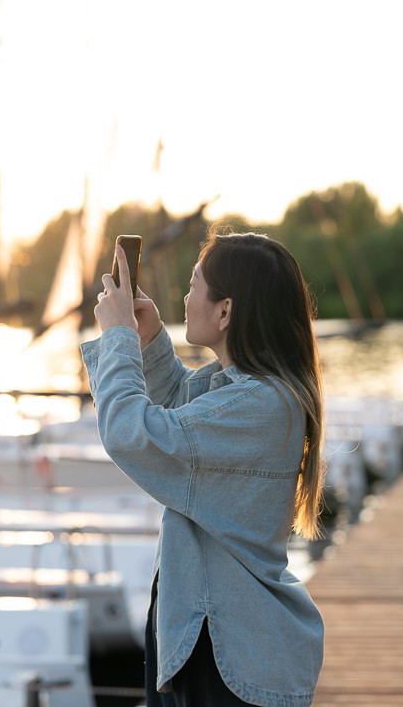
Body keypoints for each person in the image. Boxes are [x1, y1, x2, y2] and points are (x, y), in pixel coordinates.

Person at [81, 229, 325, 707]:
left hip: (225, 648)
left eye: (193, 285)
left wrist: (118, 339)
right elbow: (182, 413)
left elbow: (136, 434)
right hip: (205, 634)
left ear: (225, 310)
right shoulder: (250, 390)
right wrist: (148, 340)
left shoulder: (261, 403)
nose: (185, 297)